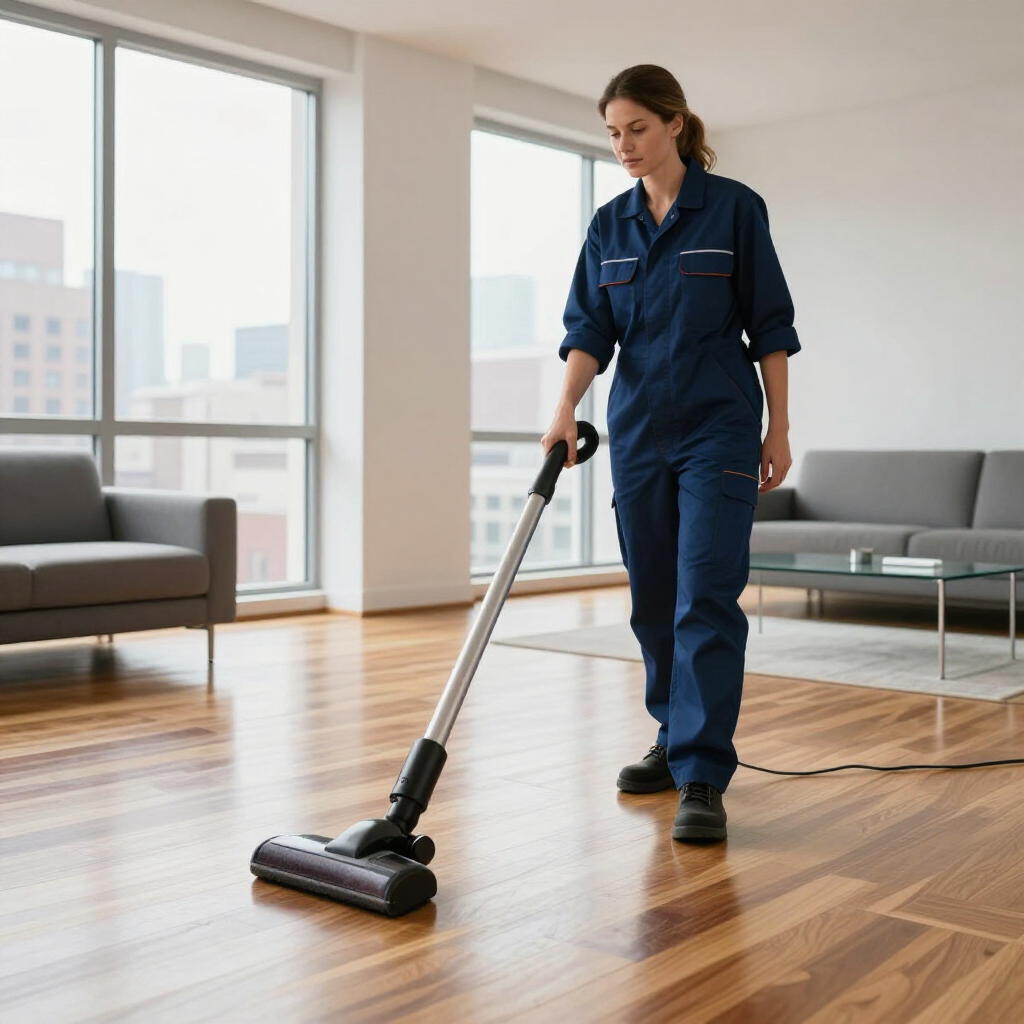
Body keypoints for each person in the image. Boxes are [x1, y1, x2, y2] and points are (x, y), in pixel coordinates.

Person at [541, 64, 800, 842]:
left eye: (637, 129)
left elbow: (772, 329)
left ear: (676, 123)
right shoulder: (608, 226)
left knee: (705, 594)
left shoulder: (734, 210)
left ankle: (701, 772)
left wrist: (778, 429)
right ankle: (670, 731)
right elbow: (590, 330)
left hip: (718, 429)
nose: (623, 146)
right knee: (653, 598)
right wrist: (564, 408)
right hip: (639, 432)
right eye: (613, 134)